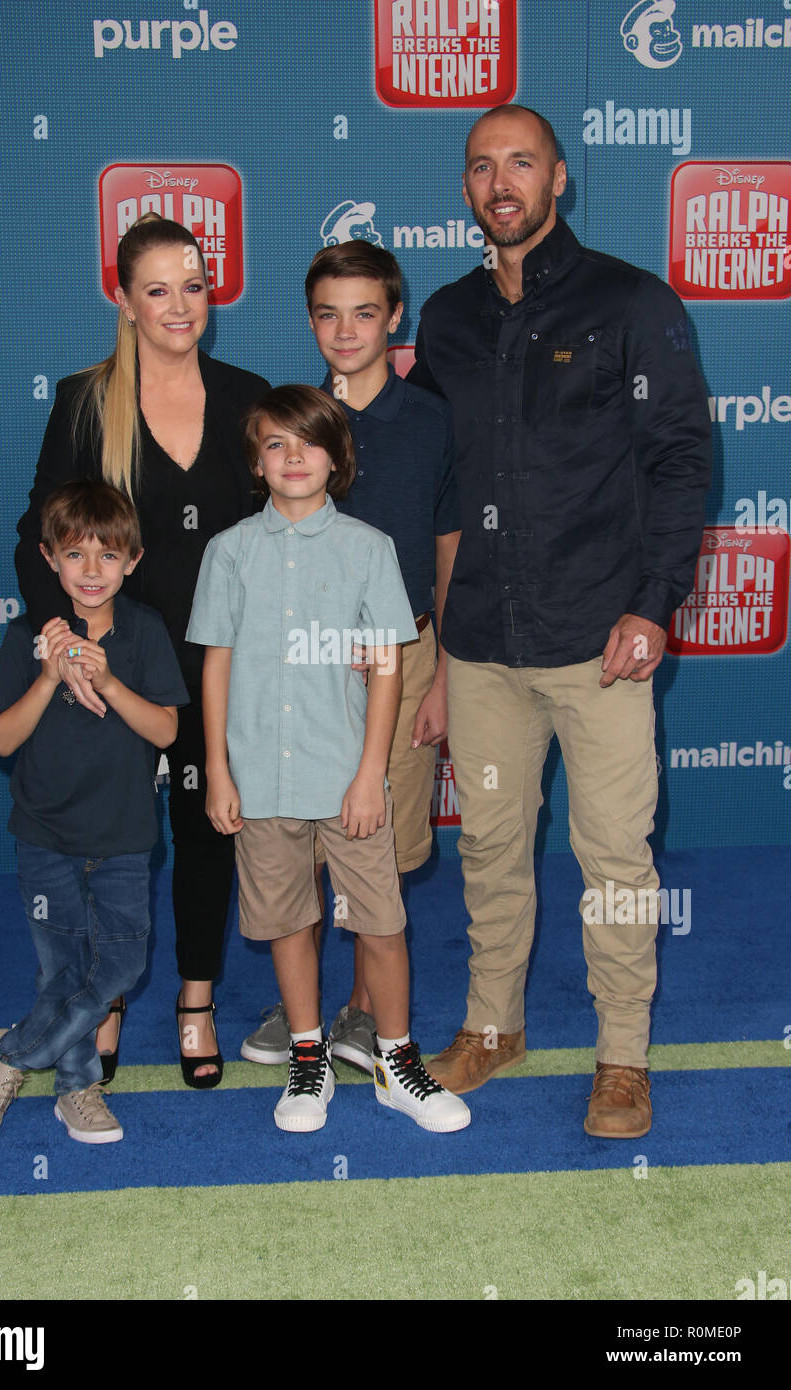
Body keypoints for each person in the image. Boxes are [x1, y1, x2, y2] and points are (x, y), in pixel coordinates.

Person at [408, 104, 711, 1137]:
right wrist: (435, 643)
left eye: (521, 163)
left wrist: (653, 603)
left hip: (600, 644)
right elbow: (434, 483)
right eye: (482, 166)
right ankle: (493, 1025)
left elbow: (681, 460)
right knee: (489, 844)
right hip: (485, 645)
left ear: (559, 179)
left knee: (615, 858)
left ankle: (621, 1055)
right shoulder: (444, 320)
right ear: (465, 189)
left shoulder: (631, 302)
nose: (502, 181)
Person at [14, 213, 269, 1087]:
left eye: (194, 287)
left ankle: (195, 1002)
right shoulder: (87, 401)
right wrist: (71, 644)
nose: (179, 305)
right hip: (110, 671)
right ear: (123, 300)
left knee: (206, 831)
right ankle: (109, 994)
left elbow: (281, 537)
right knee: (114, 844)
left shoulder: (247, 398)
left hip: (216, 668)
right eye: (157, 289)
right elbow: (35, 535)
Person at [188, 385, 470, 1134]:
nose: (292, 458)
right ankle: (307, 1057)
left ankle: (396, 1061)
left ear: (336, 458)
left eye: (308, 443)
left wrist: (370, 773)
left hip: (348, 779)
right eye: (275, 444)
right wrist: (218, 768)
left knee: (380, 923)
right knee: (288, 920)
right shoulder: (229, 553)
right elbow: (215, 663)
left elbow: (387, 669)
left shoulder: (369, 551)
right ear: (256, 460)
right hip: (263, 779)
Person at [240, 241, 461, 1073]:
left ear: (394, 318)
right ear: (310, 320)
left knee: (386, 846)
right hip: (299, 666)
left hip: (399, 659)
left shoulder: (434, 420)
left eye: (365, 311)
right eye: (328, 313)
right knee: (293, 847)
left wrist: (445, 672)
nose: (346, 329)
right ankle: (308, 1019)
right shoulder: (288, 418)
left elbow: (448, 545)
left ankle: (364, 1013)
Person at [0, 480, 187, 1145]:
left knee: (122, 966)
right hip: (46, 837)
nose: (92, 571)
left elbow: (166, 732)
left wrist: (108, 681)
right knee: (62, 971)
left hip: (124, 837)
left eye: (108, 555)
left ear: (133, 560)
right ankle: (77, 1087)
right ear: (49, 559)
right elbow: (2, 738)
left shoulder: (146, 632)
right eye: (75, 555)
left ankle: (12, 1053)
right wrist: (48, 675)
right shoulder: (27, 637)